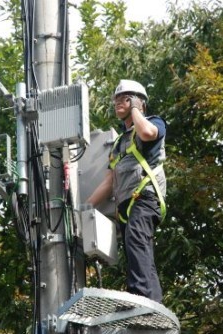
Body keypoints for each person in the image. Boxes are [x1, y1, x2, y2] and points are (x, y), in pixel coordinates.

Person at [87, 79, 167, 303]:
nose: (118, 103)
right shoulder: (118, 144)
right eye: (117, 100)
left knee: (136, 243)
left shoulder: (153, 122)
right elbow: (109, 182)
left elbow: (148, 134)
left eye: (125, 99)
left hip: (144, 198)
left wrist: (135, 110)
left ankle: (141, 297)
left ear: (139, 103)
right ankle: (149, 299)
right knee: (137, 249)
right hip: (127, 206)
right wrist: (83, 208)